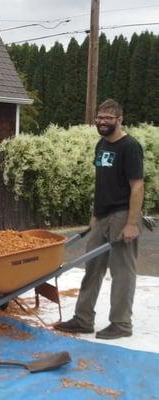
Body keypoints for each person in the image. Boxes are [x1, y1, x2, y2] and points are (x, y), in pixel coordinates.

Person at [55, 99, 144, 339]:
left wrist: (132, 223)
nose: (102, 122)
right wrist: (94, 215)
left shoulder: (130, 147)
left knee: (122, 272)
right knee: (92, 268)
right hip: (102, 215)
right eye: (100, 117)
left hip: (122, 214)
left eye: (108, 118)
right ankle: (83, 319)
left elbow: (137, 186)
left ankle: (121, 324)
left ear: (120, 120)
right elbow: (101, 183)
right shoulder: (101, 145)